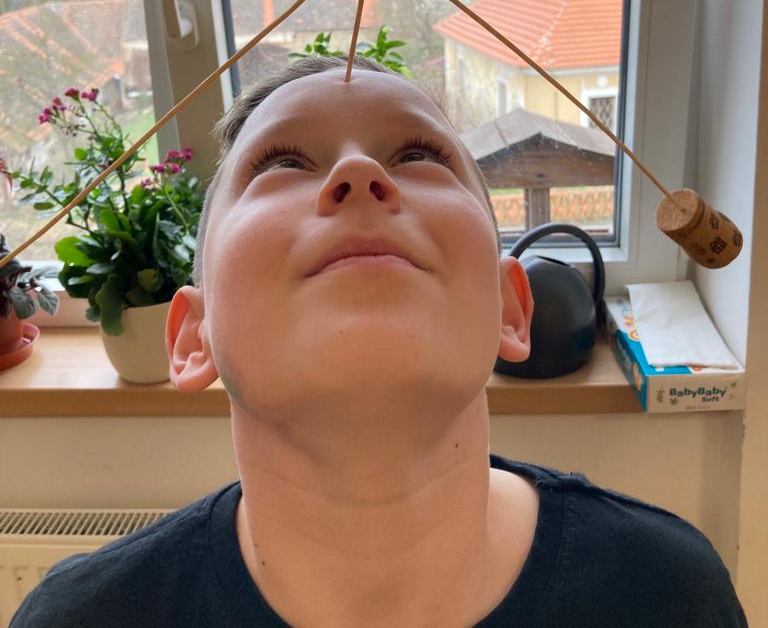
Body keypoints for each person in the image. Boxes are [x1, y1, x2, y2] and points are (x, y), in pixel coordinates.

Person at [11, 54, 748, 627]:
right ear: (192, 338)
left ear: (509, 309)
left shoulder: (670, 596)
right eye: (283, 164)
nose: (359, 172)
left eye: (418, 156)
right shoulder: (80, 620)